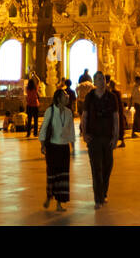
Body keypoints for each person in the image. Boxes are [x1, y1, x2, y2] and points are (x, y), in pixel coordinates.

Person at [80, 71, 119, 208]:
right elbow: (84, 116)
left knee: (108, 167)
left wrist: (116, 137)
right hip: (94, 137)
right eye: (97, 79)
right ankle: (98, 199)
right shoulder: (89, 97)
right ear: (94, 82)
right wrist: (84, 133)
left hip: (107, 137)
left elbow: (116, 117)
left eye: (102, 78)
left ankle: (104, 193)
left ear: (105, 81)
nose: (100, 81)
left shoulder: (111, 97)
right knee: (96, 168)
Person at [39, 88, 75, 211]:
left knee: (63, 176)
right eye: (65, 95)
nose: (67, 97)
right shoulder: (50, 111)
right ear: (59, 98)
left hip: (64, 147)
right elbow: (44, 127)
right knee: (52, 174)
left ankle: (59, 203)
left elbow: (71, 130)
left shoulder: (69, 112)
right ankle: (49, 196)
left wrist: (73, 146)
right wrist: (42, 144)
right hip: (52, 147)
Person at [107, 78, 128, 148]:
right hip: (119, 111)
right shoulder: (117, 92)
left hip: (115, 111)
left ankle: (115, 142)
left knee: (115, 126)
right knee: (119, 126)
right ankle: (121, 141)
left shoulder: (113, 93)